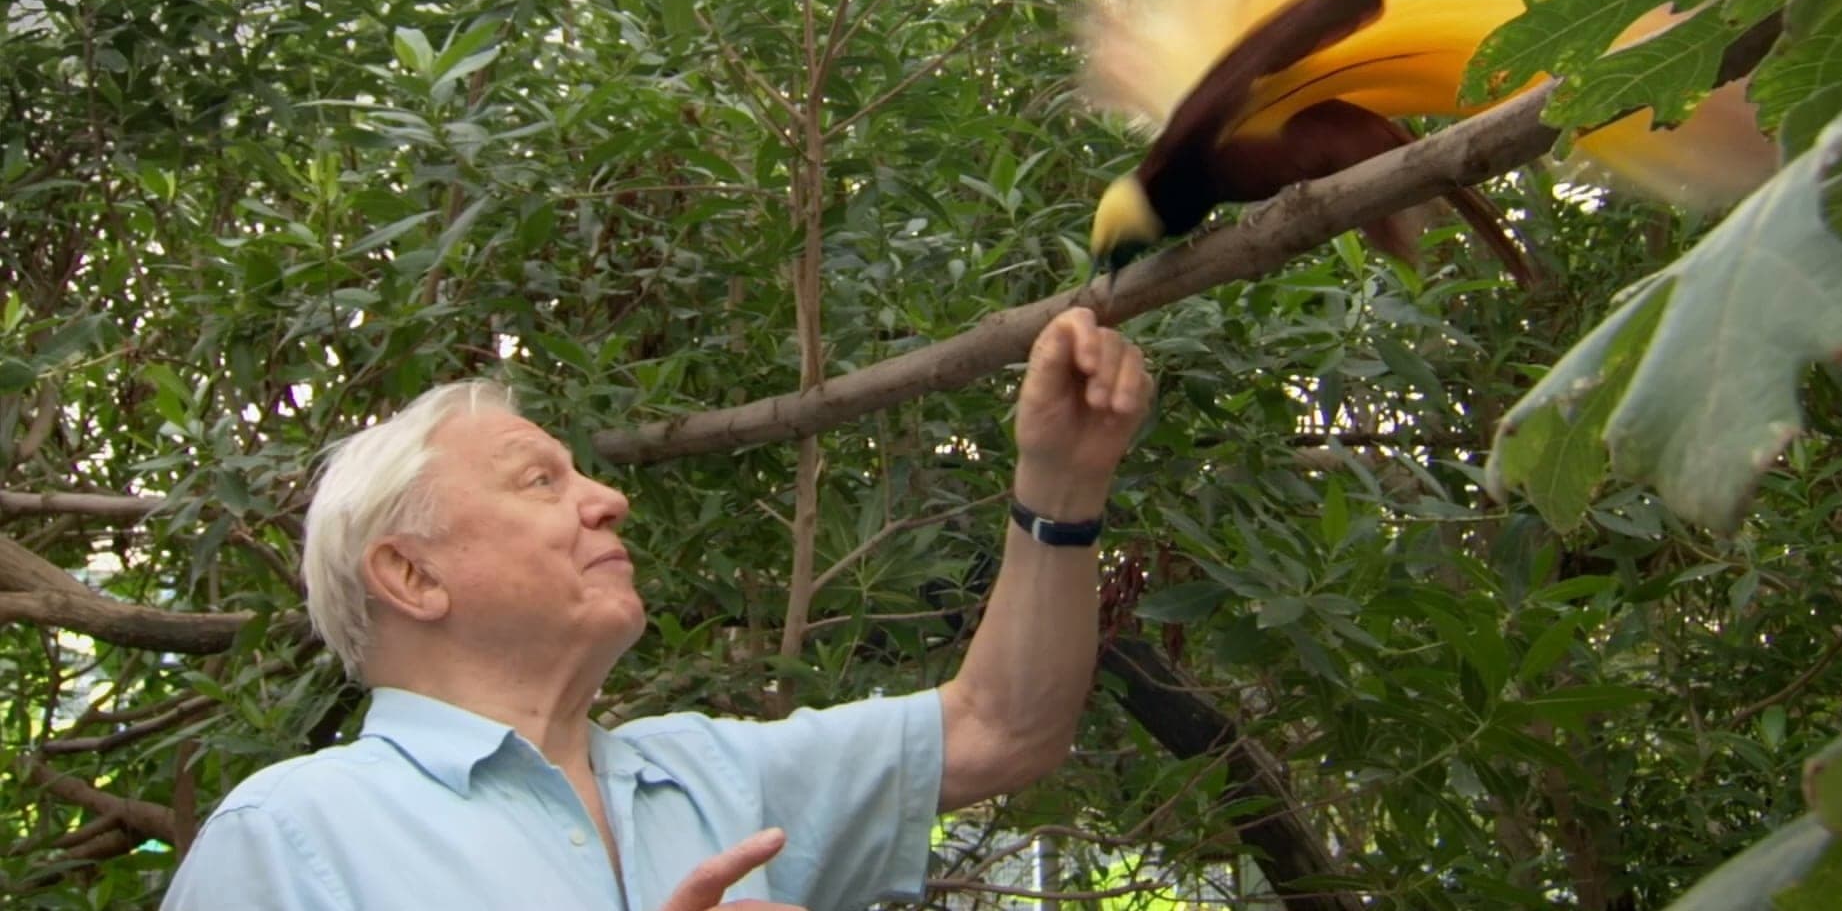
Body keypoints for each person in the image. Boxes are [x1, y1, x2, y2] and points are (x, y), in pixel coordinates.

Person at [162, 308, 1153, 910]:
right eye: (538, 481)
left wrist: (1059, 480)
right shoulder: (294, 839)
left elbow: (1003, 725)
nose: (607, 499)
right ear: (412, 577)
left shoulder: (711, 780)